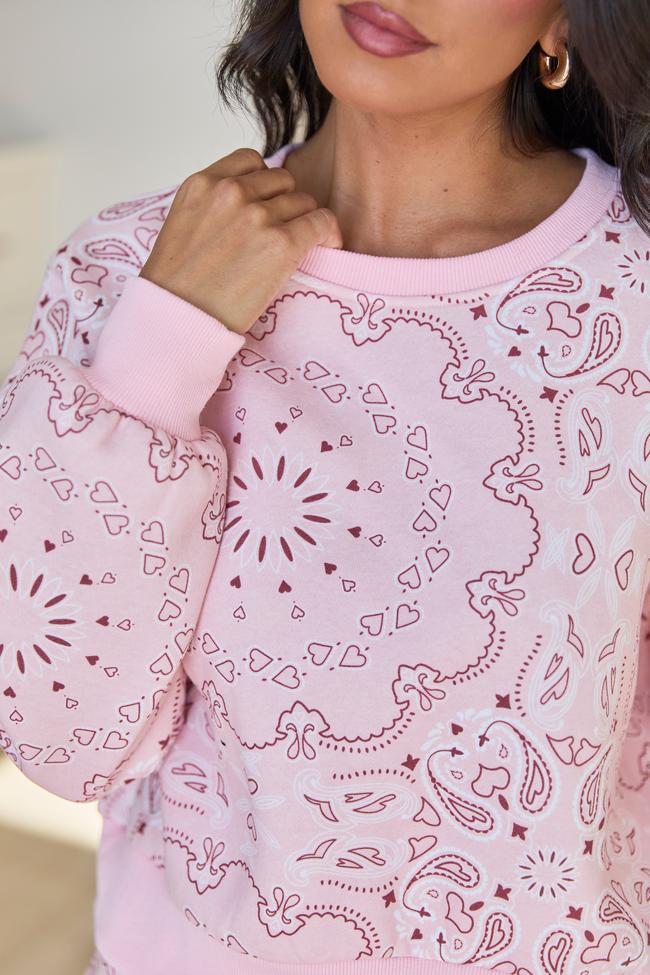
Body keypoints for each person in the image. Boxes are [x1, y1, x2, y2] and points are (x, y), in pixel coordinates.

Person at [1, 1, 649, 972]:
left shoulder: (625, 298)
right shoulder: (125, 271)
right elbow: (56, 736)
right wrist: (163, 342)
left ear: (563, 20)